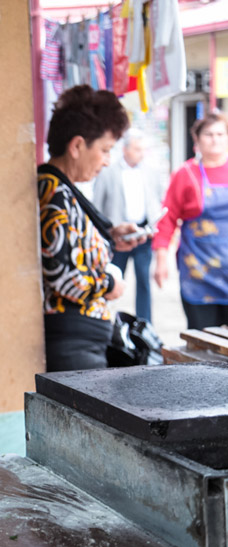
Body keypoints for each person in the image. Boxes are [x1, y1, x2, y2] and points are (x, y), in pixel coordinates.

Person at [38, 85, 147, 372]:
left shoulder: (62, 188)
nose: (108, 160)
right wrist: (111, 285)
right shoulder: (53, 192)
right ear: (76, 146)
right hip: (74, 344)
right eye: (105, 150)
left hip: (82, 340)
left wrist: (110, 236)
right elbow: (62, 275)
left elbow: (69, 245)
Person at [153, 113, 228, 329]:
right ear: (197, 138)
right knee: (203, 343)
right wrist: (161, 260)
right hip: (199, 274)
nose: (215, 139)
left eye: (220, 134)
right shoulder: (185, 174)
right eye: (209, 134)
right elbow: (167, 218)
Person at [92, 129, 163, 322]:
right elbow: (97, 204)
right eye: (137, 149)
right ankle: (107, 319)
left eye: (143, 149)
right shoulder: (108, 172)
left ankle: (144, 323)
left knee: (143, 281)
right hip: (117, 235)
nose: (141, 153)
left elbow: (157, 198)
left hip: (142, 233)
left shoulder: (150, 172)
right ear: (125, 150)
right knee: (112, 278)